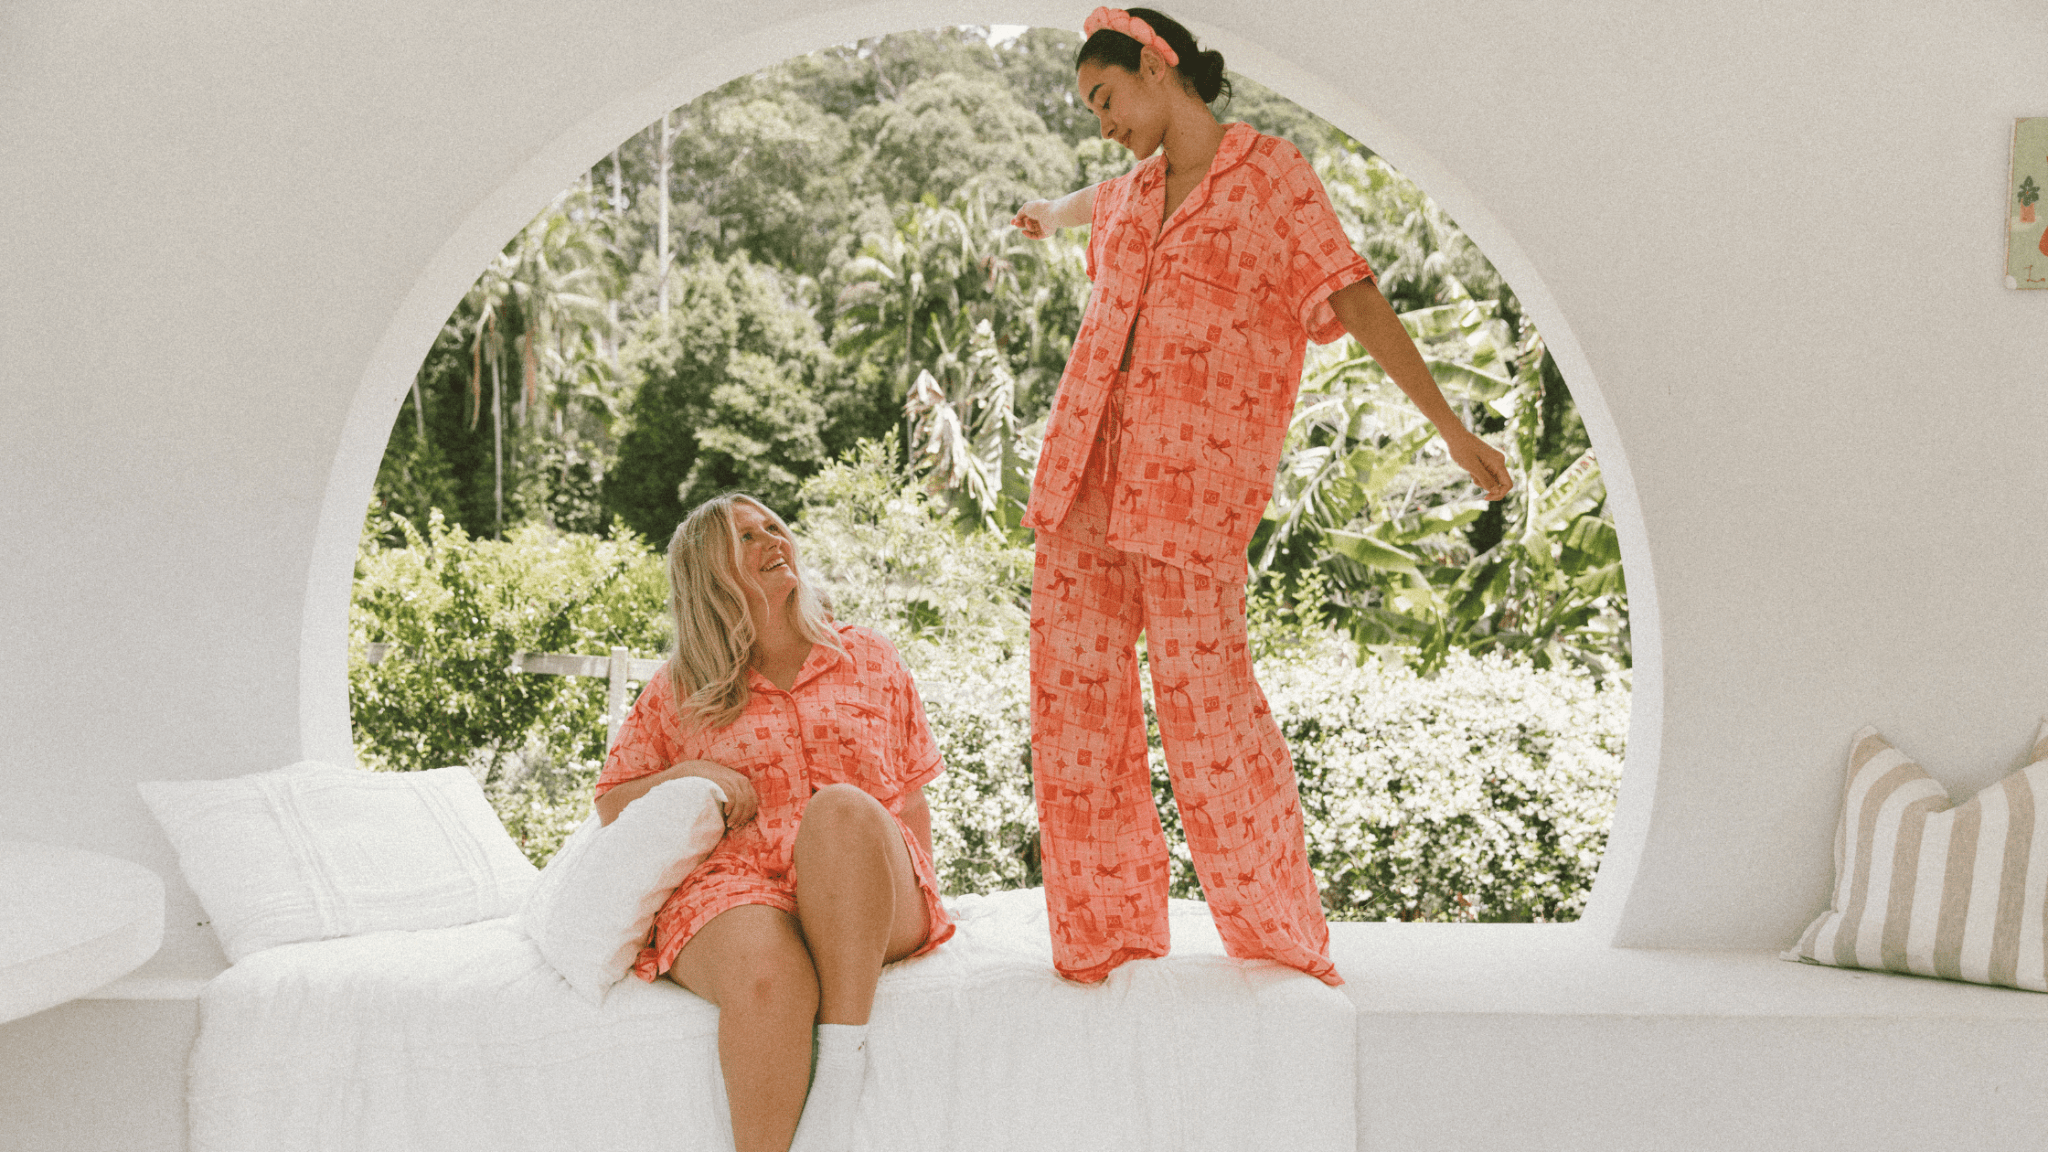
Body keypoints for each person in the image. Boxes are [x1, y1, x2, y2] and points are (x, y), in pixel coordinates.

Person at [1010, 7, 1514, 988]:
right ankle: (1103, 941)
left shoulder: (1270, 179)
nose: (1100, 121)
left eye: (1105, 98)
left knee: (1212, 721)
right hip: (1079, 486)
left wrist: (1451, 429)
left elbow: (1355, 296)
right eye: (1088, 110)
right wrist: (1045, 214)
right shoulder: (1126, 196)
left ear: (1157, 67)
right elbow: (1090, 200)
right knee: (1075, 718)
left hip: (1190, 500)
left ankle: (1279, 939)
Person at [593, 493, 954, 1152]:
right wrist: (689, 774)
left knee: (841, 809)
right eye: (746, 538)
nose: (771, 541)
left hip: (868, 890)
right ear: (709, 574)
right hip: (738, 892)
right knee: (768, 976)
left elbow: (911, 798)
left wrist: (921, 886)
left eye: (773, 527)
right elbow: (612, 804)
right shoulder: (678, 688)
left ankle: (841, 1071)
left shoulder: (871, 657)